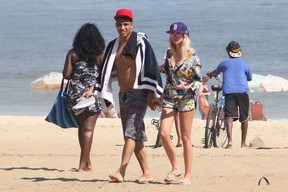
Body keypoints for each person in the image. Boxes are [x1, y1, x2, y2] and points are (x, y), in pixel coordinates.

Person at [96, 9, 163, 183]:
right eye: (119, 24)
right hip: (123, 94)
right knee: (135, 135)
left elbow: (151, 66)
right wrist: (93, 88)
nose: (122, 27)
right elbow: (105, 70)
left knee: (131, 133)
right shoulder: (113, 46)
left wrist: (151, 94)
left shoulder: (140, 42)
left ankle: (121, 171)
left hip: (139, 93)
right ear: (116, 25)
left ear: (132, 24)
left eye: (126, 24)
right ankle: (147, 172)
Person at [159, 22, 202, 185]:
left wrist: (188, 86)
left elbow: (199, 81)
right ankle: (175, 167)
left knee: (185, 137)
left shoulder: (192, 55)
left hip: (186, 99)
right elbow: (168, 78)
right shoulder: (169, 53)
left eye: (177, 34)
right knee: (163, 132)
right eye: (171, 33)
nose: (173, 36)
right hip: (170, 97)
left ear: (184, 36)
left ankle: (187, 175)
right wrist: (160, 95)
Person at [62, 23, 105, 172]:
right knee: (88, 129)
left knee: (82, 128)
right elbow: (105, 76)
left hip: (75, 95)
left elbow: (66, 75)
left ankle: (87, 163)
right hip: (93, 95)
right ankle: (82, 165)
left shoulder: (73, 53)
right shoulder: (100, 54)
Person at [207, 41, 252, 149]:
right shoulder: (244, 63)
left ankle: (230, 142)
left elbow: (216, 73)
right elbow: (250, 77)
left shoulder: (224, 63)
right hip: (242, 92)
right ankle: (243, 143)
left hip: (229, 92)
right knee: (244, 118)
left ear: (228, 51)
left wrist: (211, 74)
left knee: (229, 117)